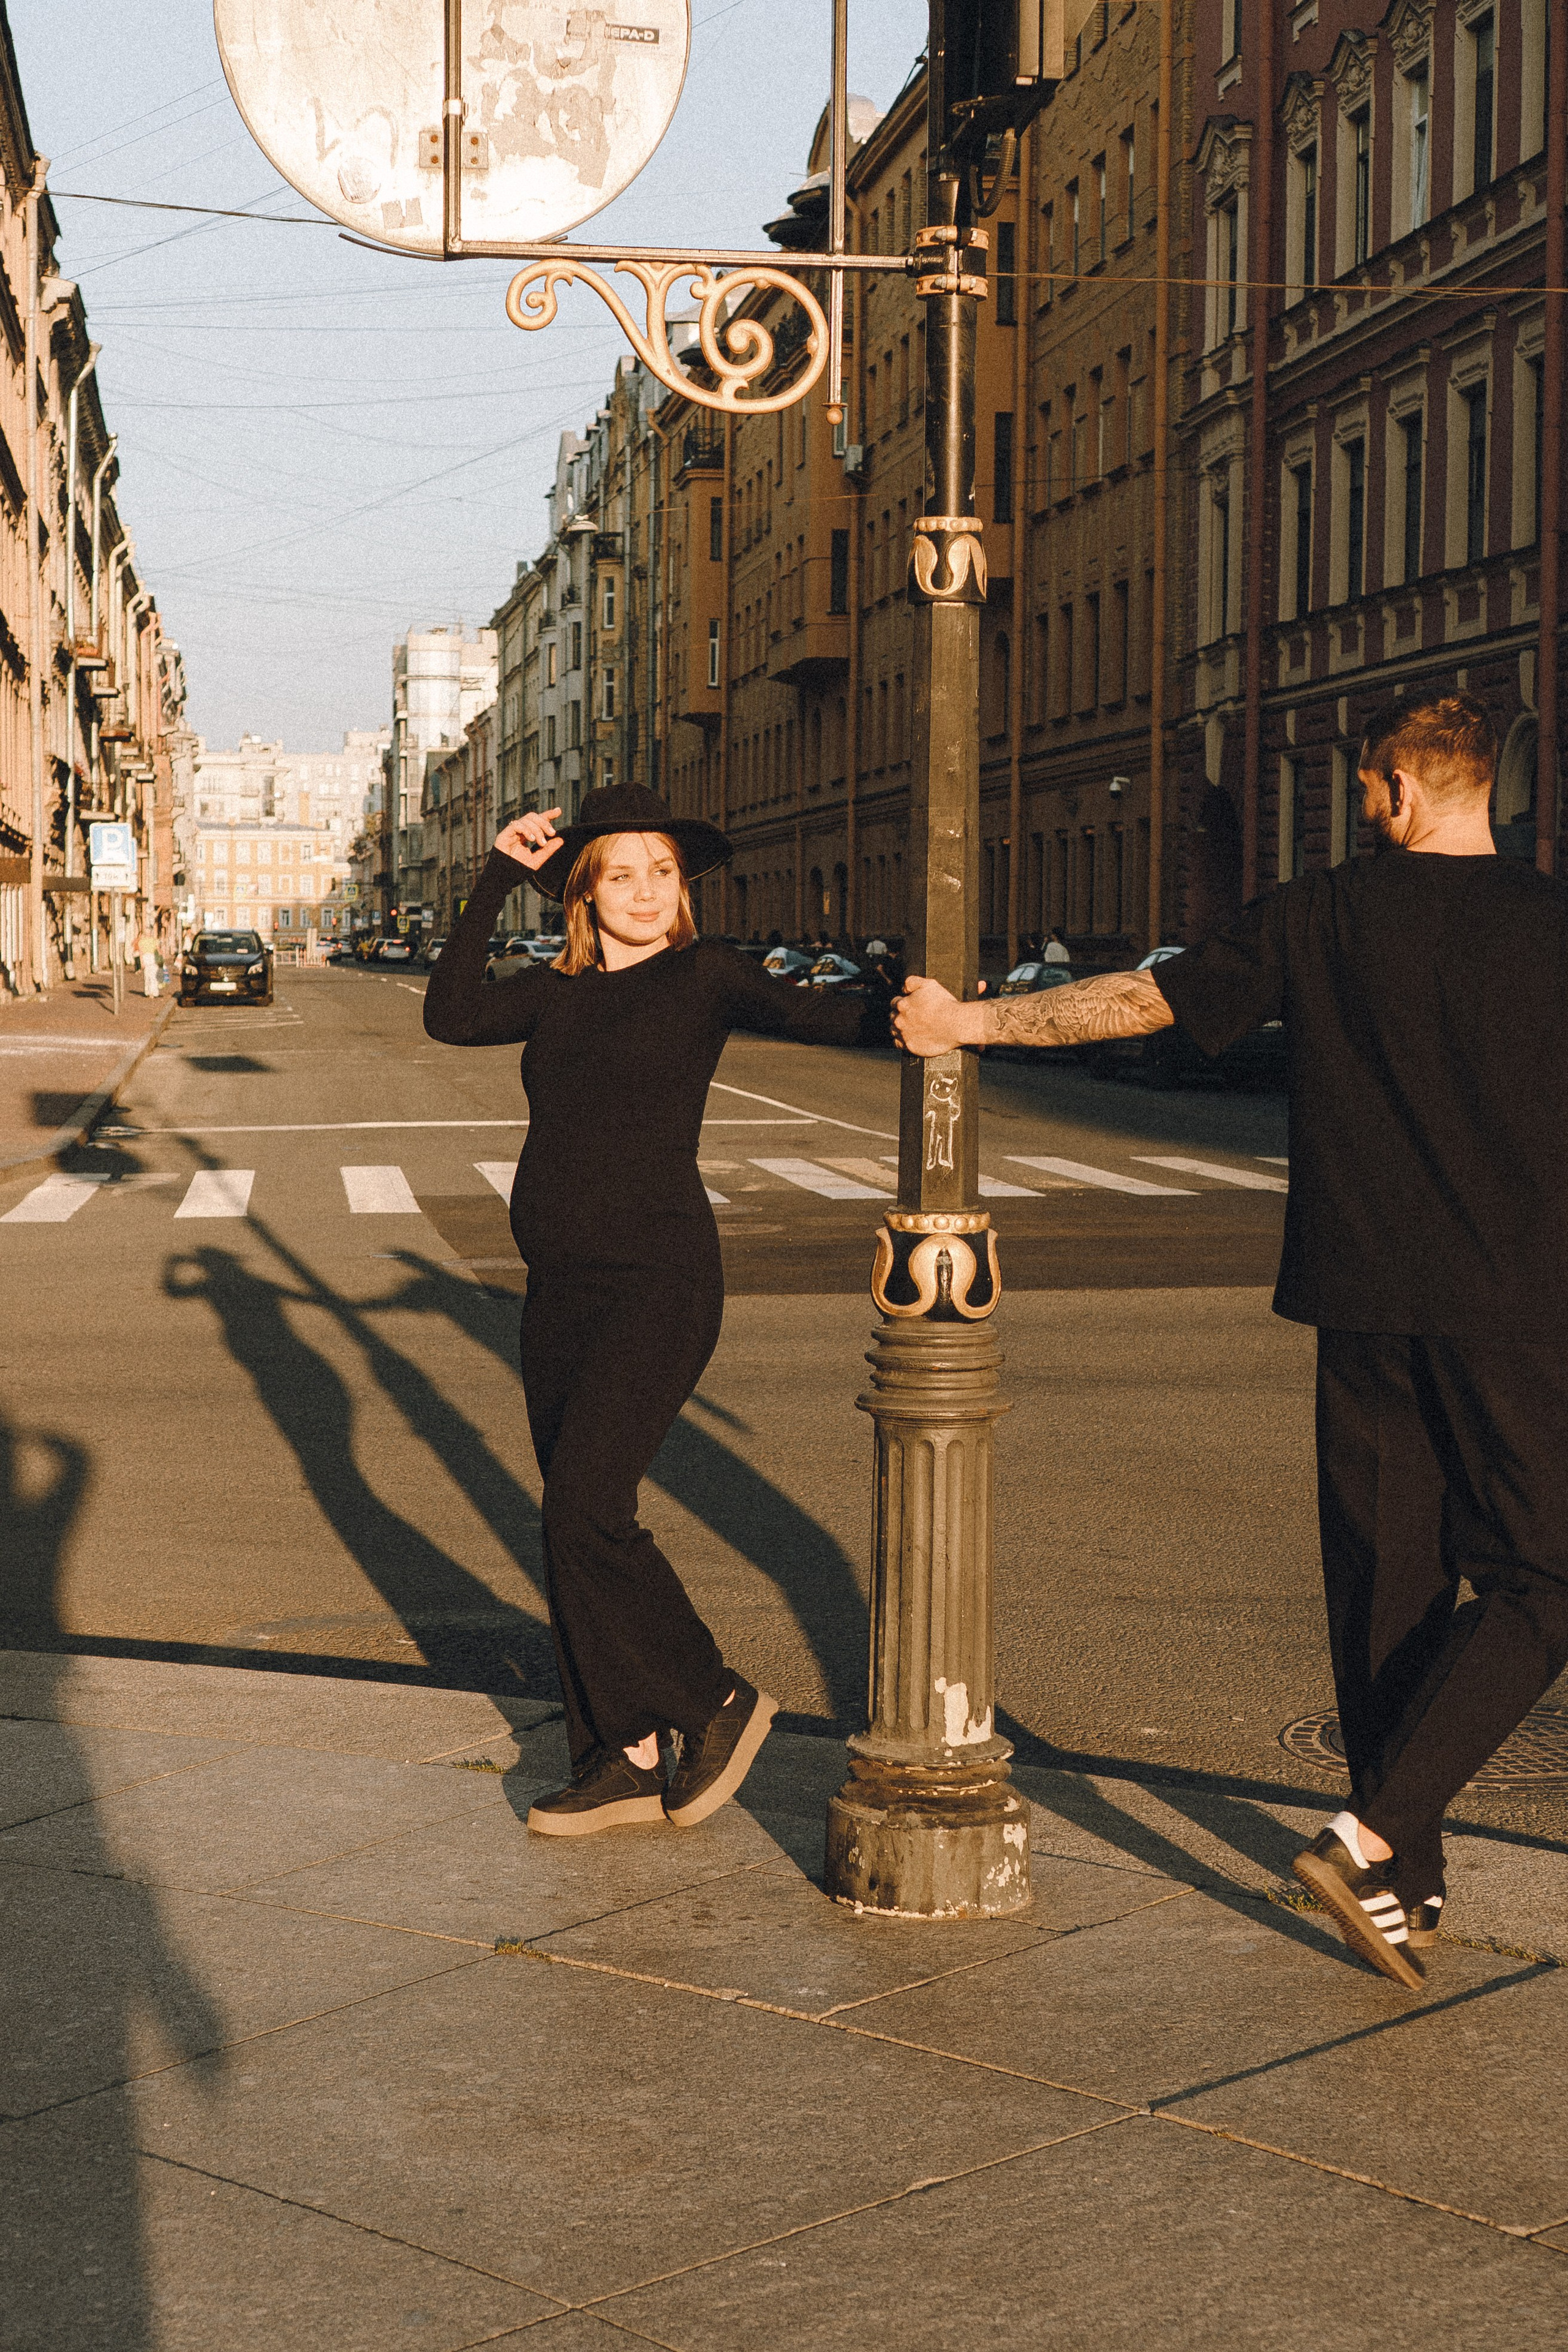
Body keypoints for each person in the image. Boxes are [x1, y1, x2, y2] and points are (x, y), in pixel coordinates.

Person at [894, 692, 1568, 1991]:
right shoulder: (1550, 927)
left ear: (1393, 790)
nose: (1360, 808)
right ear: (1482, 786)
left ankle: (1397, 1879)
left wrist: (968, 1025)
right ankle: (1377, 1840)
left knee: (1385, 1594)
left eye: (1363, 789)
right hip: (1517, 1302)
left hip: (1356, 1298)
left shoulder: (1319, 913)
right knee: (1542, 1580)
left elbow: (1144, 1005)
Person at [424, 783, 886, 1838]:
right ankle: (621, 1755)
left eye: (662, 872)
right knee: (570, 1525)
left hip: (659, 1282)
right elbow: (449, 1015)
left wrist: (941, 1016)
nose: (644, 891)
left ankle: (712, 1698)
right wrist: (497, 873)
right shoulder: (554, 991)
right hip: (559, 1290)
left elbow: (835, 1016)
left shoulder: (706, 976)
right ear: (584, 890)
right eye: (621, 872)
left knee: (587, 1506)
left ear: (683, 890)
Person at [136, 924, 160, 999]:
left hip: (153, 957)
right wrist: (142, 962)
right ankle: (149, 992)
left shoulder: (155, 941)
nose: (148, 934)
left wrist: (159, 959)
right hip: (146, 958)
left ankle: (154, 992)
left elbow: (158, 951)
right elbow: (141, 953)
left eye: (149, 933)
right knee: (147, 976)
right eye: (147, 933)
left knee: (153, 976)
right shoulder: (142, 942)